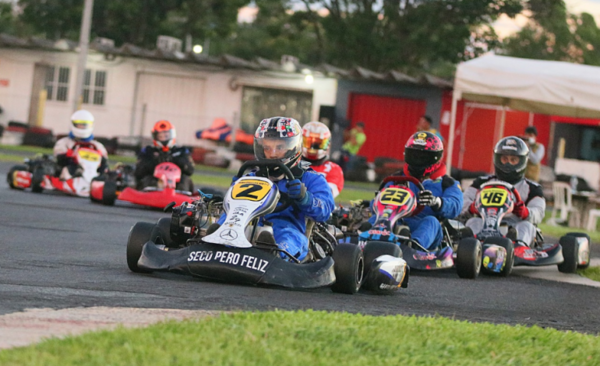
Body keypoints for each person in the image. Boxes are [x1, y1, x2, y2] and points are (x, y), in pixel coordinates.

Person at [218, 116, 334, 261]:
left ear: (294, 147)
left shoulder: (310, 178)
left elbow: (326, 210)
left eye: (279, 147)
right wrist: (234, 192)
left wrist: (305, 198)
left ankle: (275, 254)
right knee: (227, 220)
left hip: (286, 226)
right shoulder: (252, 176)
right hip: (247, 222)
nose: (272, 154)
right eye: (267, 148)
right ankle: (215, 241)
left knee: (289, 238)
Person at [373, 131, 463, 250]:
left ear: (435, 158)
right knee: (375, 218)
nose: (417, 161)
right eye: (414, 156)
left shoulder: (447, 183)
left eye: (422, 157)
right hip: (395, 222)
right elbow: (378, 200)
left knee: (431, 222)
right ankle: (365, 241)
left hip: (425, 227)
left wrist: (436, 202)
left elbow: (455, 205)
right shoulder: (396, 179)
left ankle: (413, 247)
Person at [461, 136, 546, 246]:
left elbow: (539, 212)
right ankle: (474, 247)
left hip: (515, 226)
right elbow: (462, 201)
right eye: (504, 159)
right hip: (486, 225)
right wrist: (472, 207)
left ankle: (517, 247)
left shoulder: (532, 188)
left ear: (522, 161)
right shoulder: (482, 183)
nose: (508, 164)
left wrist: (525, 212)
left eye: (513, 160)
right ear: (497, 159)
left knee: (527, 226)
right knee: (473, 222)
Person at [134, 120, 195, 192]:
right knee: (148, 178)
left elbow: (190, 170)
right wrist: (155, 161)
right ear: (155, 137)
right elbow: (138, 172)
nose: (163, 138)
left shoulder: (181, 151)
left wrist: (175, 161)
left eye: (166, 136)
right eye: (160, 136)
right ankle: (150, 192)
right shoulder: (148, 151)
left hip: (176, 184)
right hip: (155, 181)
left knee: (185, 179)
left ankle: (181, 193)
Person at [54, 110, 108, 180]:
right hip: (73, 169)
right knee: (68, 167)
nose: (82, 127)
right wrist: (69, 155)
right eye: (80, 125)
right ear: (73, 124)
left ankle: (99, 181)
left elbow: (104, 161)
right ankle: (69, 179)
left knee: (105, 170)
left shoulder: (97, 145)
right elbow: (60, 159)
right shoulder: (64, 142)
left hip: (94, 172)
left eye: (85, 125)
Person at [301, 121, 344, 198]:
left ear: (327, 145)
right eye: (309, 142)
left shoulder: (333, 169)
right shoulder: (291, 163)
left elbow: (325, 196)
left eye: (317, 144)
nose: (312, 147)